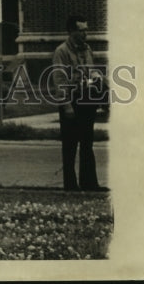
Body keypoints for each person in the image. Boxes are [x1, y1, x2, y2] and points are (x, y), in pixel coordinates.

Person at [51, 14, 109, 193]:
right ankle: (70, 184)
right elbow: (59, 81)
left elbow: (90, 72)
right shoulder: (62, 52)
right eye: (81, 30)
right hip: (71, 101)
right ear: (71, 31)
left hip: (86, 101)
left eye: (86, 30)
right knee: (70, 145)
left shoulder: (87, 49)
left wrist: (98, 79)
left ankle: (89, 183)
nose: (85, 34)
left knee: (87, 143)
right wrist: (67, 106)